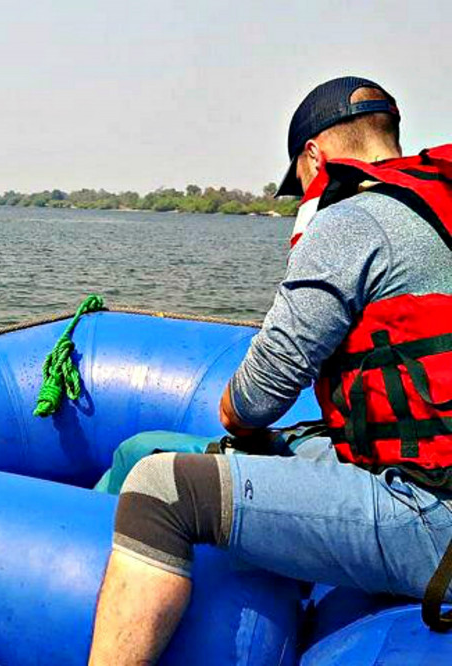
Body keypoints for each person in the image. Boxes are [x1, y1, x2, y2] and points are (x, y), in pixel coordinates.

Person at [88, 76, 452, 664]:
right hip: (422, 474)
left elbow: (251, 401)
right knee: (255, 450)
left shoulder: (353, 221)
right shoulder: (439, 206)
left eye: (302, 179)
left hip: (434, 514)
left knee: (159, 488)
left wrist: (239, 420)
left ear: (316, 157)